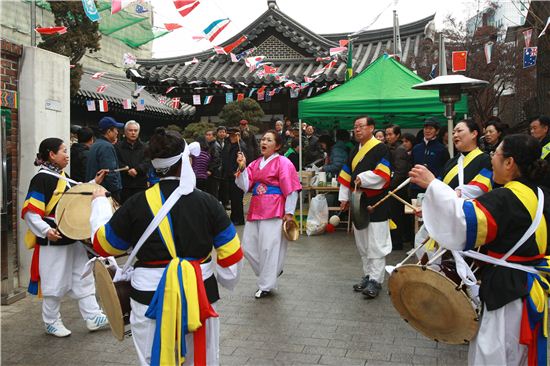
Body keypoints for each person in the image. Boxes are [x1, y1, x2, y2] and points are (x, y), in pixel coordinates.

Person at [90, 128, 244, 365]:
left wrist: (100, 204)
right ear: (186, 161)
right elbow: (231, 257)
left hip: (148, 297)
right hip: (200, 293)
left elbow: (104, 245)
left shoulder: (136, 204)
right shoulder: (208, 203)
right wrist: (224, 278)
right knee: (200, 358)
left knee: (154, 358)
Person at [409, 134, 550, 366]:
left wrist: (433, 185)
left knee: (495, 355)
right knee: (517, 355)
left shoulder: (507, 197)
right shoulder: (541, 194)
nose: (491, 159)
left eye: (496, 154)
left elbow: (465, 222)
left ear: (509, 162)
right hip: (525, 287)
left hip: (507, 292)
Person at [22, 138, 108, 337]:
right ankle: (51, 322)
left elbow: (74, 198)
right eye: (63, 151)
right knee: (54, 281)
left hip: (72, 237)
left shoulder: (60, 176)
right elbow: (30, 212)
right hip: (54, 238)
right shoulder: (42, 178)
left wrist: (94, 183)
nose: (67, 155)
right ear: (51, 154)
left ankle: (93, 316)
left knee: (83, 275)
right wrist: (45, 230)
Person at [235, 130, 301, 298]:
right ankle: (272, 271)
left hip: (274, 208)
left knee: (268, 248)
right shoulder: (255, 163)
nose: (264, 142)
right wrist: (242, 168)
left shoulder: (283, 162)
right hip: (256, 207)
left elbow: (291, 189)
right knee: (248, 247)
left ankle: (266, 285)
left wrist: (289, 212)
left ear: (277, 145)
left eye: (269, 140)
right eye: (263, 139)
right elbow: (245, 185)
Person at [338, 116, 392, 299]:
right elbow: (346, 175)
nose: (357, 130)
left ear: (371, 128)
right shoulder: (355, 150)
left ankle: (376, 280)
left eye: (361, 126)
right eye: (355, 127)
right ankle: (368, 275)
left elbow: (383, 174)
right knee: (362, 242)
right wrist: (343, 198)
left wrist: (364, 178)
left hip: (376, 201)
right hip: (357, 200)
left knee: (376, 242)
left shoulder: (381, 148)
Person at [86, 116, 125, 202]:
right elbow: (110, 172)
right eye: (116, 130)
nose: (117, 133)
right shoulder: (107, 147)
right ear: (109, 131)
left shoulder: (95, 144)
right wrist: (116, 192)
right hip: (105, 193)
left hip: (95, 190)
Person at [410, 118, 450, 199]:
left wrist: (438, 182)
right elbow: (411, 165)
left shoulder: (442, 149)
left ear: (437, 131)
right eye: (425, 128)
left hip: (433, 188)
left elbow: (445, 169)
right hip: (416, 189)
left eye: (431, 128)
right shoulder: (416, 148)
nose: (427, 131)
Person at [385, 124, 409, 250]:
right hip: (394, 187)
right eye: (386, 134)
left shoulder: (400, 149)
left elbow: (401, 171)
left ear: (397, 135)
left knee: (396, 216)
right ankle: (395, 240)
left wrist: (390, 186)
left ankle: (397, 242)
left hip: (397, 189)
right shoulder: (392, 148)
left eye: (390, 134)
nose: (388, 137)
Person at [116, 121, 150, 203]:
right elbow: (117, 162)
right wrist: (127, 170)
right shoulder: (118, 147)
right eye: (130, 130)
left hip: (140, 184)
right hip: (124, 185)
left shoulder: (145, 147)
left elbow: (147, 162)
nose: (133, 133)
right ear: (125, 132)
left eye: (135, 130)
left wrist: (137, 169)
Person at [221, 127, 248, 225]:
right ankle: (234, 217)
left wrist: (236, 171)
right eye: (230, 135)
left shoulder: (240, 146)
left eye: (233, 135)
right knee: (233, 198)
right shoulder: (229, 144)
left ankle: (238, 219)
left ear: (238, 135)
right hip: (229, 175)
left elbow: (242, 163)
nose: (231, 137)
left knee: (237, 198)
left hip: (236, 176)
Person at [530, 115, 550, 189]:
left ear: (545, 128)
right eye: (531, 128)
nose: (532, 131)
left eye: (535, 128)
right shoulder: (535, 144)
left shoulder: (547, 146)